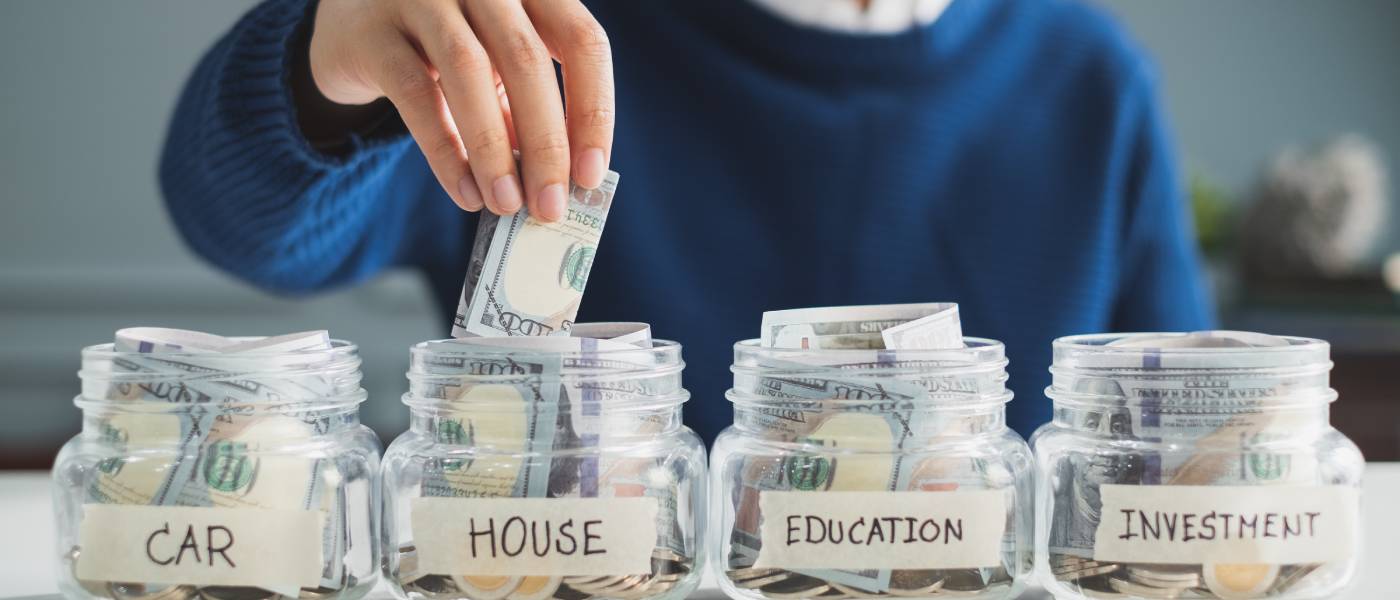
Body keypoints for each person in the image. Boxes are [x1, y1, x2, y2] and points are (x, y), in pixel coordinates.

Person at [160, 0, 1214, 444]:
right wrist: (320, 67)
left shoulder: (1091, 80)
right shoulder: (536, 33)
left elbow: (1186, 429)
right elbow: (243, 223)